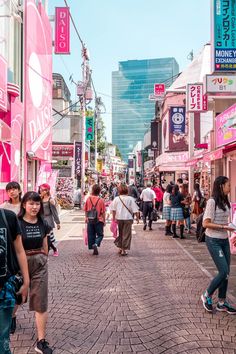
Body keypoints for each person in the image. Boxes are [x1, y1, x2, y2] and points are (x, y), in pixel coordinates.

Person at [18, 191, 53, 353]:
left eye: (37, 203)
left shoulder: (43, 223)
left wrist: (43, 259)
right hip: (19, 265)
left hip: (39, 264)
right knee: (17, 298)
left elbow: (45, 246)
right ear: (24, 204)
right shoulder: (16, 223)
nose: (34, 207)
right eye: (31, 203)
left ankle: (41, 341)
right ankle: (10, 318)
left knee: (41, 302)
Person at [201, 176, 236, 314]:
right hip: (213, 240)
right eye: (228, 184)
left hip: (224, 239)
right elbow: (205, 223)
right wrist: (224, 227)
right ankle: (207, 295)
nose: (230, 187)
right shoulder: (212, 201)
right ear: (221, 186)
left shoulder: (225, 201)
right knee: (223, 271)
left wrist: (229, 227)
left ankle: (222, 302)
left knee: (227, 273)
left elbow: (224, 222)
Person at [0, 208, 29, 354]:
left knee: (2, 341)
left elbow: (19, 250)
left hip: (5, 290)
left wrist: (26, 282)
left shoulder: (8, 217)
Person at [110, 183, 139, 256]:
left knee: (121, 233)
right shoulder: (130, 199)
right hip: (128, 218)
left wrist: (114, 218)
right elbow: (135, 210)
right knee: (126, 234)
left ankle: (120, 247)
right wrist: (137, 218)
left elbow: (113, 209)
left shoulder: (116, 199)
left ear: (119, 191)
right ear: (127, 190)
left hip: (119, 218)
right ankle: (123, 249)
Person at [39, 183, 60, 257]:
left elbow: (54, 212)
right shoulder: (39, 199)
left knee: (49, 238)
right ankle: (48, 251)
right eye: (40, 189)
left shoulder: (50, 200)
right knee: (42, 237)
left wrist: (58, 222)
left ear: (47, 191)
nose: (41, 191)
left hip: (48, 220)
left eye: (42, 190)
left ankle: (54, 250)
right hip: (41, 220)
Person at [84, 184, 105, 255]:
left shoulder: (88, 199)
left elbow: (86, 210)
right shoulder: (101, 200)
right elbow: (103, 212)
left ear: (92, 190)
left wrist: (86, 217)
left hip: (90, 219)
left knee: (91, 234)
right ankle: (96, 244)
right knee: (100, 235)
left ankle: (93, 246)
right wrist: (104, 221)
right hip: (99, 220)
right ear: (99, 191)